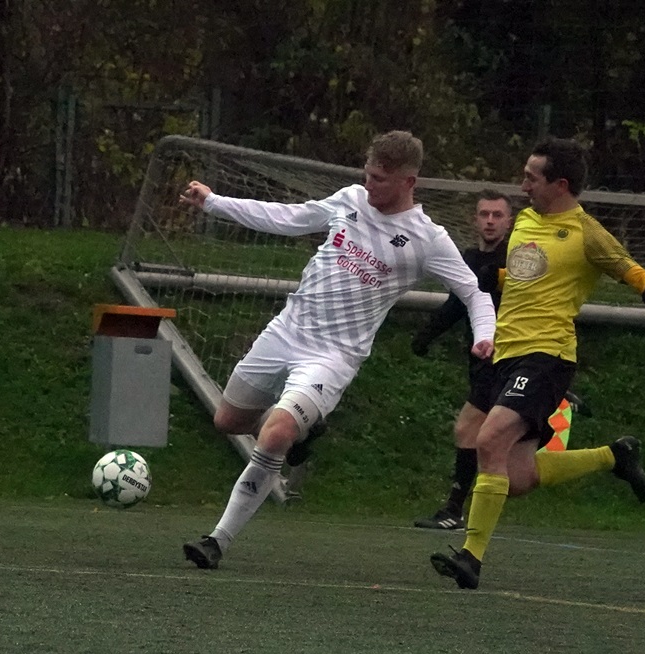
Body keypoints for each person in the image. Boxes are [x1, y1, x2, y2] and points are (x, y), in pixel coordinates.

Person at [177, 130, 496, 570]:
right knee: (228, 421)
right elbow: (288, 217)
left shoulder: (427, 239)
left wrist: (484, 335)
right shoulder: (349, 200)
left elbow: (474, 293)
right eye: (368, 174)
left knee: (275, 435)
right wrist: (214, 202)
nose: (370, 184)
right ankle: (306, 430)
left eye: (380, 179)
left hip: (332, 356)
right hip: (286, 331)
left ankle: (217, 540)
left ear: (409, 182)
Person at [430, 137, 645, 590]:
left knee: (488, 439)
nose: (523, 185)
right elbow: (527, 273)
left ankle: (470, 558)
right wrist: (497, 277)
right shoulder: (524, 220)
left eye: (531, 177)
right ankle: (615, 456)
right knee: (517, 477)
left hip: (548, 355)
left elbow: (632, 269)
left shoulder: (586, 233)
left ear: (560, 184)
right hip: (506, 354)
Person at [410, 189, 513, 530]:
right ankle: (610, 457)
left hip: (504, 360)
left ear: (509, 222)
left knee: (467, 428)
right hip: (480, 361)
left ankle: (454, 510)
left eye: (497, 215)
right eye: (484, 214)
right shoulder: (469, 257)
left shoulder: (516, 259)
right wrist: (427, 335)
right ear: (474, 219)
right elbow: (457, 303)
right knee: (519, 469)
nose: (490, 221)